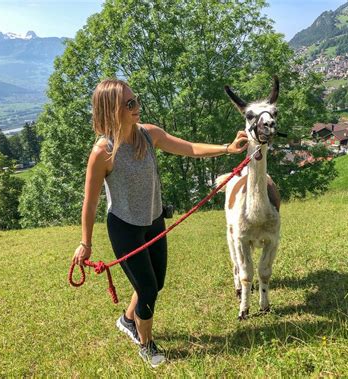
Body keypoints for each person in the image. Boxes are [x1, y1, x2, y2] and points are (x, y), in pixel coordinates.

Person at [72, 78, 248, 368]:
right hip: (124, 227)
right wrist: (85, 243)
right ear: (111, 109)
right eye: (129, 104)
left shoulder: (149, 134)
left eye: (136, 100)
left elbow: (189, 148)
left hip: (153, 222)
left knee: (156, 283)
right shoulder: (102, 152)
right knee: (148, 289)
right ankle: (146, 344)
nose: (136, 107)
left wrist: (227, 149)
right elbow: (90, 202)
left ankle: (128, 319)